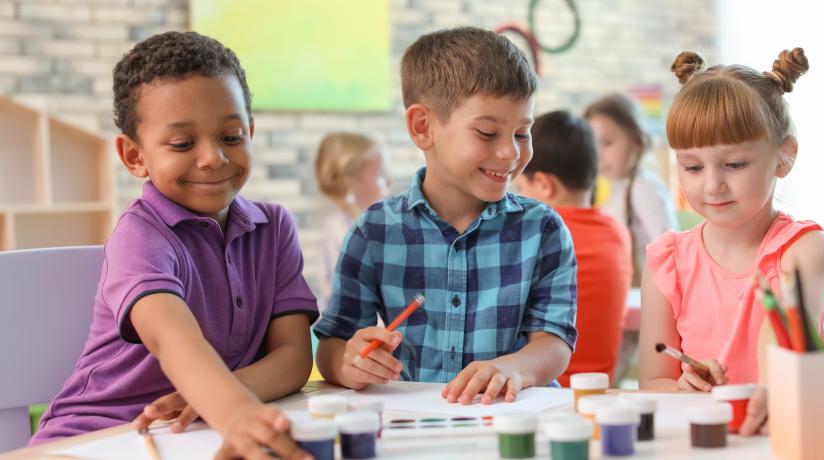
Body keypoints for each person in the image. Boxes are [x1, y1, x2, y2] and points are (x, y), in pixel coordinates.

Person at [31, 32, 317, 460]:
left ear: (251, 133)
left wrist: (214, 397)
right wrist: (234, 411)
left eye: (232, 136)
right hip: (98, 436)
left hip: (196, 430)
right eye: (183, 144)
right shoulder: (140, 237)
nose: (213, 158)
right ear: (134, 156)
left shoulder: (273, 228)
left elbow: (294, 356)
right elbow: (171, 338)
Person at [314, 26, 577, 405]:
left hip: (512, 417)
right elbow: (333, 344)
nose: (510, 153)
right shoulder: (375, 231)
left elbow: (554, 342)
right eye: (488, 133)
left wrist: (514, 368)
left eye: (522, 133)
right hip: (414, 422)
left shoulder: (543, 230)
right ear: (423, 127)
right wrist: (347, 362)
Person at [639, 48, 824, 436]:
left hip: (783, 436)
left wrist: (763, 390)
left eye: (734, 164)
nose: (712, 184)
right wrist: (684, 387)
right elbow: (654, 382)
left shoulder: (806, 249)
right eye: (693, 167)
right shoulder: (667, 260)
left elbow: (777, 349)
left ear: (784, 156)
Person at [514, 110, 632, 385]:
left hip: (542, 393)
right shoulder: (617, 232)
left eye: (521, 188)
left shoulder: (535, 237)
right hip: (596, 393)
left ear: (543, 184)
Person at [585, 93, 678, 282]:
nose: (599, 154)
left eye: (607, 143)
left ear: (637, 140)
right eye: (592, 145)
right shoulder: (609, 189)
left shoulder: (644, 187)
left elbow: (672, 254)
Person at [314, 132, 390, 311]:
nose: (389, 181)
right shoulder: (344, 229)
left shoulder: (365, 223)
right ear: (352, 183)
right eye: (380, 175)